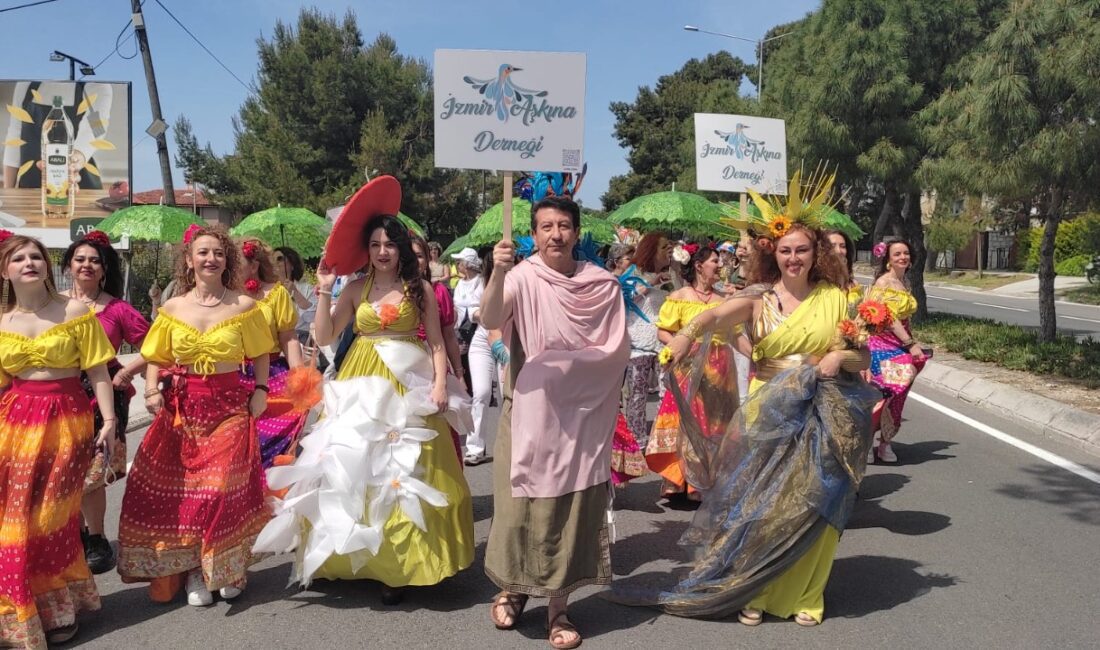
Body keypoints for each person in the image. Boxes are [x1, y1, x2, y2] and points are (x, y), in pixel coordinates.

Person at [649, 175, 879, 626]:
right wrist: (685, 338)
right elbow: (714, 314)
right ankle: (757, 588)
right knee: (763, 501)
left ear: (818, 254)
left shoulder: (838, 298)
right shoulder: (758, 299)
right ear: (772, 252)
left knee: (815, 501)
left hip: (826, 406)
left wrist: (838, 354)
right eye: (785, 250)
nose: (793, 258)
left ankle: (806, 595)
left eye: (802, 250)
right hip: (770, 405)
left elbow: (862, 353)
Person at [255, 177, 474, 606]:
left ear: (401, 247)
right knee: (352, 466)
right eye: (374, 245)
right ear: (366, 250)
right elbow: (325, 334)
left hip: (408, 385)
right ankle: (348, 556)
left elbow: (433, 341)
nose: (383, 251)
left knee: (405, 471)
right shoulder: (355, 289)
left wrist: (438, 383)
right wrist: (321, 288)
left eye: (389, 244)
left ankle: (400, 565)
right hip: (361, 380)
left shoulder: (420, 289)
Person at [480, 195, 630, 650]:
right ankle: (514, 588)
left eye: (563, 225)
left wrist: (562, 369)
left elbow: (614, 352)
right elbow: (489, 318)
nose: (555, 235)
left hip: (581, 416)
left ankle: (558, 608)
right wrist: (499, 270)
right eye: (545, 227)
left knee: (569, 510)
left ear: (577, 232)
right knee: (518, 508)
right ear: (533, 233)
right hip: (526, 410)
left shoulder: (601, 284)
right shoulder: (522, 277)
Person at [118, 224, 274, 607]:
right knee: (190, 494)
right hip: (183, 409)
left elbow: (260, 354)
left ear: (228, 260)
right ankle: (196, 572)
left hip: (229, 405)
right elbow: (157, 353)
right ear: (189, 260)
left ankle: (230, 567)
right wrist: (152, 389)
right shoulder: (173, 308)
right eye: (203, 252)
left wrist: (260, 390)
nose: (211, 259)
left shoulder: (243, 306)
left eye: (218, 253)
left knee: (221, 487)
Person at [0, 231, 117, 646]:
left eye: (36, 256)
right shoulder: (1, 323)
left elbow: (99, 371)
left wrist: (108, 420)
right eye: (19, 259)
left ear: (47, 266)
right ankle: (20, 611)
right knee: (15, 520)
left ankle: (61, 607)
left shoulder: (73, 312)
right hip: (13, 426)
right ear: (5, 270)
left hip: (67, 420)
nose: (29, 263)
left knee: (53, 517)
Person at [60, 230, 150, 575]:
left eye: (94, 261)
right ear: (69, 265)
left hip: (104, 396)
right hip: (60, 394)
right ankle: (75, 533)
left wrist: (127, 371)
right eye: (80, 259)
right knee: (63, 468)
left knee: (92, 472)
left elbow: (157, 344)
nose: (86, 265)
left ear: (103, 269)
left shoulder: (118, 309)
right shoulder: (53, 305)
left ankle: (96, 537)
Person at [644, 243, 740, 501]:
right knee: (685, 421)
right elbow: (663, 330)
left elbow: (736, 334)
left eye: (720, 262)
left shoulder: (724, 300)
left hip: (720, 368)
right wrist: (678, 345)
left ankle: (701, 483)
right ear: (699, 266)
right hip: (688, 365)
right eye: (715, 261)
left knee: (711, 423)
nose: (720, 266)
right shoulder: (680, 296)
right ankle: (677, 480)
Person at [239, 238, 307, 468]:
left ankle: (269, 495)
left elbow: (288, 338)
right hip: (232, 375)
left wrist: (300, 377)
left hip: (272, 373)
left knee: (269, 443)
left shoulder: (276, 294)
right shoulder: (225, 295)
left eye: (235, 262)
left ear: (254, 265)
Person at [616, 232, 672, 473]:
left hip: (663, 343)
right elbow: (624, 298)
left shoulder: (674, 275)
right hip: (637, 342)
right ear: (651, 249)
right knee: (637, 394)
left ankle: (661, 439)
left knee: (666, 391)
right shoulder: (635, 273)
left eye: (670, 247)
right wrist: (651, 283)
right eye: (663, 247)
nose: (668, 250)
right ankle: (637, 440)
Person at [867, 238, 927, 464]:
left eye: (906, 253)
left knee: (897, 396)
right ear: (888, 260)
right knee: (886, 392)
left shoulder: (903, 282)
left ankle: (885, 443)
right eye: (897, 254)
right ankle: (867, 440)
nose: (903, 257)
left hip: (899, 344)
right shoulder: (884, 283)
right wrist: (910, 344)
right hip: (884, 345)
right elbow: (889, 318)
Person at [411, 233, 466, 460]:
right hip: (402, 363)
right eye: (410, 256)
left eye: (420, 256)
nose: (415, 261)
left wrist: (459, 374)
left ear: (428, 259)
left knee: (437, 426)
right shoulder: (389, 291)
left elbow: (448, 337)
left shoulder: (438, 292)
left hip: (434, 363)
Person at [452, 247, 494, 465]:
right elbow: (462, 311)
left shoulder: (484, 282)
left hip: (508, 338)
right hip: (479, 336)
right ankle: (475, 447)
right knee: (481, 392)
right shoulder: (462, 284)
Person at [825, 229, 863, 306]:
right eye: (832, 246)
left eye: (842, 246)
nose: (839, 251)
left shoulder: (853, 285)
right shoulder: (814, 284)